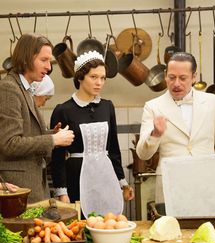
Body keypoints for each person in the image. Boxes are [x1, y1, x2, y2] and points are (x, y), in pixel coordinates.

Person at [136, 52, 215, 205]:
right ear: (165, 75)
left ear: (194, 77)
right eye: (172, 77)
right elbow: (143, 154)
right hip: (170, 185)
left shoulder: (212, 102)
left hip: (208, 185)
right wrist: (155, 134)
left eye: (183, 78)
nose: (176, 83)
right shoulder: (153, 106)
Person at [50, 50, 134, 217]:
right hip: (77, 178)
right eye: (93, 77)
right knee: (81, 227)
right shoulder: (64, 110)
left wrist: (122, 183)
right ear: (80, 77)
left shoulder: (107, 106)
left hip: (105, 177)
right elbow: (57, 157)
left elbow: (113, 148)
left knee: (109, 222)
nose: (99, 83)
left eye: (103, 78)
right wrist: (62, 192)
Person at [0, 33, 75, 204]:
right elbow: (9, 144)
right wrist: (52, 140)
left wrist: (50, 133)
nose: (49, 67)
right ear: (27, 58)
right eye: (44, 60)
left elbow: (25, 132)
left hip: (30, 182)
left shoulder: (25, 89)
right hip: (17, 186)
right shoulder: (8, 89)